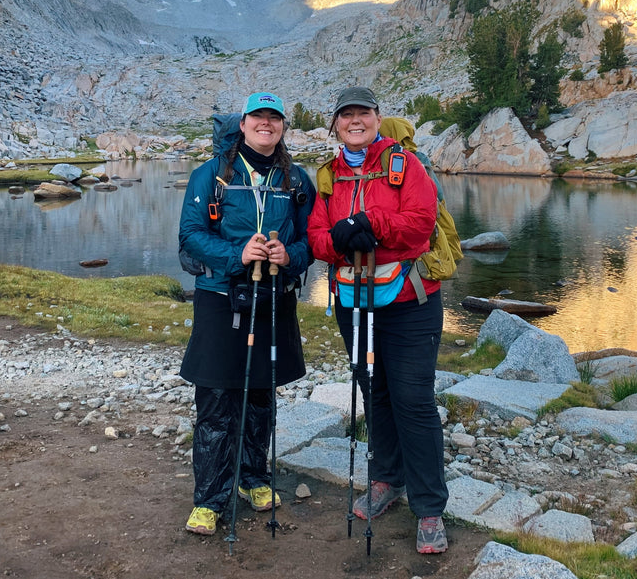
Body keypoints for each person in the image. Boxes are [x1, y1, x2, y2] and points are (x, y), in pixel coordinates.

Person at [306, 85, 449, 554]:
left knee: (414, 399)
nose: (355, 121)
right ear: (336, 125)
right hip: (354, 299)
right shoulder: (328, 176)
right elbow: (316, 240)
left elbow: (421, 224)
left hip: (410, 301)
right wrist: (343, 238)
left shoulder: (403, 165)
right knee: (375, 390)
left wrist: (372, 224)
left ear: (377, 117)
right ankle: (387, 479)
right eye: (346, 115)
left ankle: (429, 508)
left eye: (363, 113)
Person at [178, 91, 316, 536]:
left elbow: (312, 240)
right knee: (217, 400)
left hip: (274, 298)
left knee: (260, 395)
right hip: (221, 298)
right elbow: (190, 236)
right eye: (259, 116)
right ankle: (210, 499)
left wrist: (287, 254)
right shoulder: (210, 176)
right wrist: (237, 252)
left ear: (282, 128)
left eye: (274, 118)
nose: (266, 124)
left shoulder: (296, 181)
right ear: (243, 123)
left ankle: (253, 478)